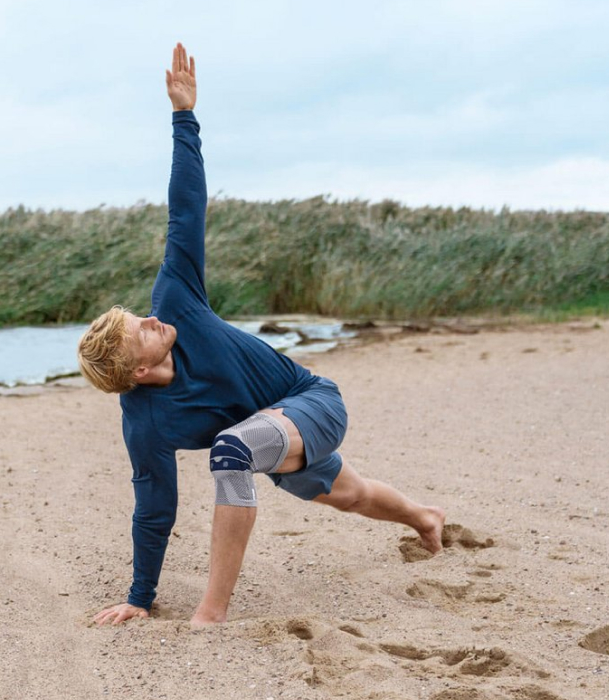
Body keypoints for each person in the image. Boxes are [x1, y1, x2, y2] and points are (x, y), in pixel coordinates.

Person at [78, 42, 445, 627]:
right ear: (139, 373)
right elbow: (153, 510)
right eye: (139, 332)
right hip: (270, 437)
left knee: (231, 452)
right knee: (351, 495)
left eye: (138, 316)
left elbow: (185, 211)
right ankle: (426, 517)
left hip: (311, 401)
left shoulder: (176, 300)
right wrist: (139, 598)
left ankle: (212, 612)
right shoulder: (145, 424)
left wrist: (183, 117)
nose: (150, 319)